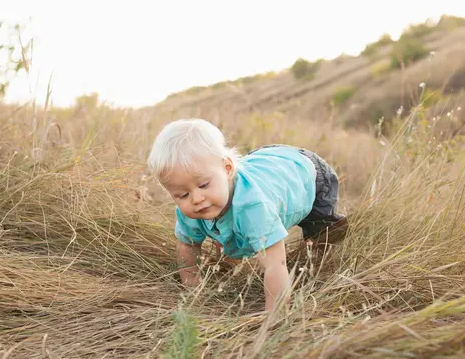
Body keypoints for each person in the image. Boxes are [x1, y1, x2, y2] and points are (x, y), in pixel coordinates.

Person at [147, 118, 347, 312]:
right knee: (226, 225)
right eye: (183, 195)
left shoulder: (254, 206)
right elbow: (188, 246)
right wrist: (192, 290)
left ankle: (324, 265)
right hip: (265, 161)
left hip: (304, 172)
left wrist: (274, 318)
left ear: (227, 169)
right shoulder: (193, 207)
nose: (196, 199)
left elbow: (275, 265)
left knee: (323, 239)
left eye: (204, 185)